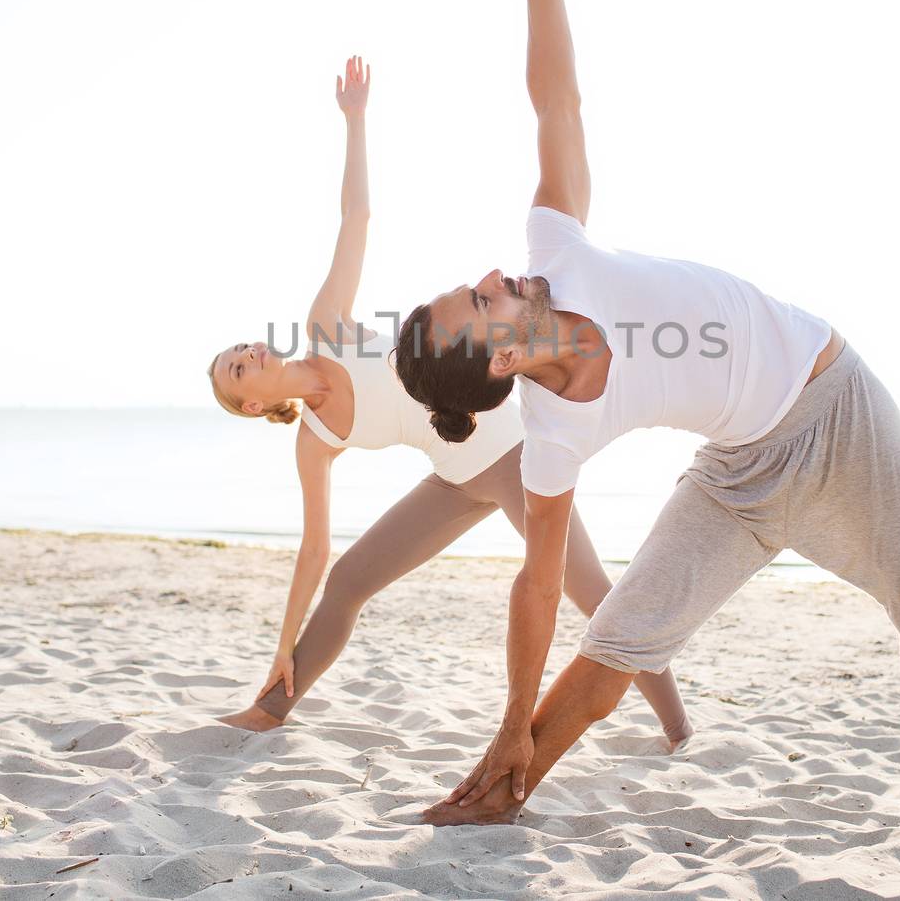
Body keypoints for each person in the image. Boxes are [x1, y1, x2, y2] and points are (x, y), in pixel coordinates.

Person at [391, 0, 900, 875]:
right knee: (622, 635)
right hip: (736, 473)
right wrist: (510, 725)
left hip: (834, 406)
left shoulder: (560, 251)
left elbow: (557, 105)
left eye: (481, 279)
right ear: (493, 362)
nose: (496, 276)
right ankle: (505, 788)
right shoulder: (552, 434)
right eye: (479, 299)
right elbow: (536, 590)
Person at [208, 54, 691, 745]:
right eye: (235, 369)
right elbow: (313, 553)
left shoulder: (324, 327)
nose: (247, 354)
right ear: (251, 403)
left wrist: (355, 121)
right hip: (455, 475)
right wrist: (281, 643)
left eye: (239, 349)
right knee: (347, 579)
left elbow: (358, 214)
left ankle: (678, 729)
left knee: (591, 593)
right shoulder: (312, 440)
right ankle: (269, 707)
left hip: (505, 450)